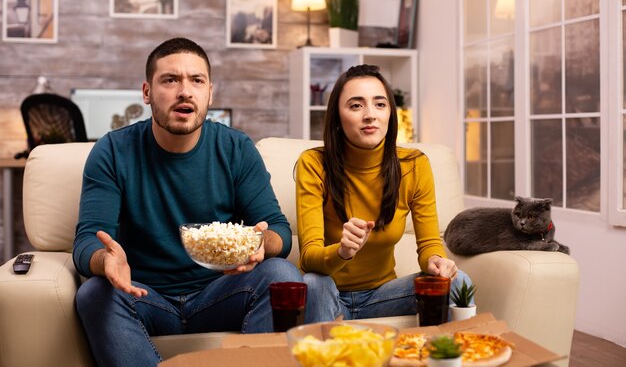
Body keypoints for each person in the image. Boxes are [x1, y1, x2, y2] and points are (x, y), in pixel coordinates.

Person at [73, 37, 302, 367]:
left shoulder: (235, 148)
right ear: (147, 92)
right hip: (146, 296)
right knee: (95, 293)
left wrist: (260, 243)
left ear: (210, 92)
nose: (185, 91)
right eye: (170, 80)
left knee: (282, 272)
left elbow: (279, 230)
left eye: (197, 80)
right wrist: (103, 260)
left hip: (221, 293)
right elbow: (86, 241)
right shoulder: (112, 151)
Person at [295, 64, 472, 323]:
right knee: (313, 282)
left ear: (390, 112)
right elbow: (309, 258)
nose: (370, 115)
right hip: (329, 293)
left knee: (459, 281)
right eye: (356, 106)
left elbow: (429, 243)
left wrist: (437, 261)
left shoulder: (414, 165)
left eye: (380, 104)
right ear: (337, 116)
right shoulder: (313, 163)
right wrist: (342, 250)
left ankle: (452, 359)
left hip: (384, 296)